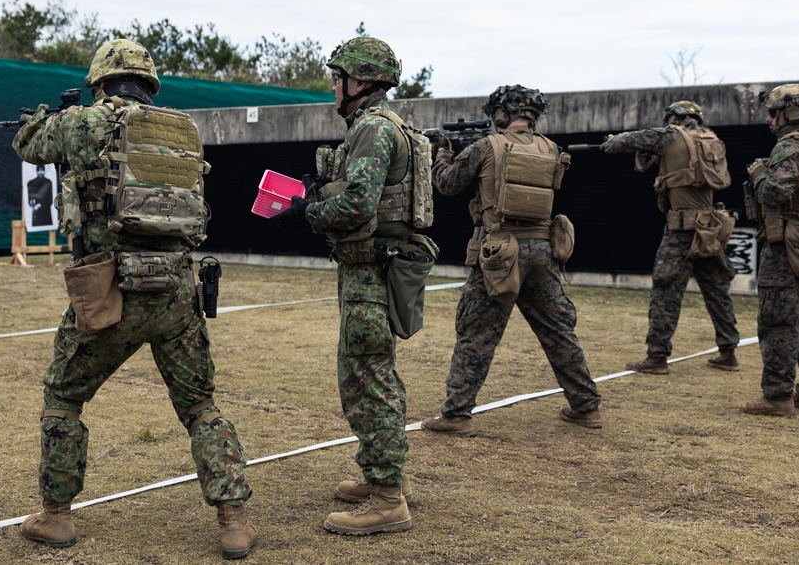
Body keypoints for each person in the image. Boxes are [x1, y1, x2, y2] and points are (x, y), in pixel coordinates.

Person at [13, 39, 257, 560]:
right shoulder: (181, 132)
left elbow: (29, 144)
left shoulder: (84, 122)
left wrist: (45, 115)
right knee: (199, 406)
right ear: (150, 85)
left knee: (63, 397)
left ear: (101, 81)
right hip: (175, 290)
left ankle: (56, 517)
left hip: (109, 287)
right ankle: (233, 520)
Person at [271, 36, 432, 535]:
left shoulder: (372, 130)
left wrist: (305, 213)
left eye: (337, 78)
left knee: (367, 379)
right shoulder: (388, 127)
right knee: (370, 374)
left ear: (359, 82)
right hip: (374, 267)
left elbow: (359, 205)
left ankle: (387, 499)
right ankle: (382, 477)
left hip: (372, 273)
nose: (332, 87)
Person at [419, 84, 603, 436]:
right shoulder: (550, 148)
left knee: (476, 334)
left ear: (501, 114)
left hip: (501, 252)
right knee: (558, 331)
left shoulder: (485, 147)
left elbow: (446, 184)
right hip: (543, 251)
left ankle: (456, 414)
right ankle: (586, 406)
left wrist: (441, 154)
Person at [600, 101, 740, 374]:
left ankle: (657, 357)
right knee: (717, 291)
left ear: (674, 118)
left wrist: (611, 141)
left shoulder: (670, 135)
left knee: (665, 292)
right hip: (709, 226)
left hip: (681, 229)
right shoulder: (711, 140)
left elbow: (627, 141)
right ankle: (728, 351)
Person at [741, 83, 799, 417]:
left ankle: (778, 397)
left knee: (778, 318)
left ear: (790, 113)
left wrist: (759, 176)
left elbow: (775, 192)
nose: (769, 120)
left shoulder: (790, 147)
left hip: (786, 245)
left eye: (773, 112)